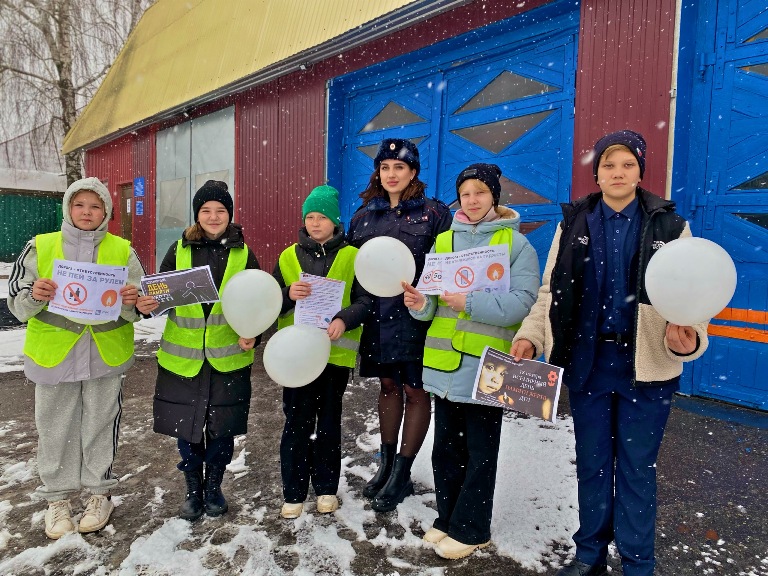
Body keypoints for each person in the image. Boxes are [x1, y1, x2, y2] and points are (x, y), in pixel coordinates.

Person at [510, 130, 709, 576]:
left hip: (647, 367)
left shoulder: (669, 225)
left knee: (637, 469)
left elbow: (693, 294)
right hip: (589, 365)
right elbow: (549, 293)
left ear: (640, 172)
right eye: (608, 165)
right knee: (593, 465)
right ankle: (589, 555)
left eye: (627, 165)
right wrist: (532, 337)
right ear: (597, 173)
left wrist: (691, 336)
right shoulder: (574, 222)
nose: (617, 173)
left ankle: (639, 563)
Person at [404, 163, 540, 559]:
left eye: (481, 192)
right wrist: (419, 303)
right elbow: (431, 303)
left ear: (494, 196)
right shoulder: (444, 242)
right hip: (445, 365)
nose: (473, 200)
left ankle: (473, 528)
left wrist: (471, 302)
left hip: (488, 367)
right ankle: (448, 518)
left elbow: (523, 305)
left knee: (480, 452)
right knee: (445, 449)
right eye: (466, 193)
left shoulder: (516, 246)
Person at [7, 177, 144, 539]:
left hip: (105, 356)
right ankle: (58, 499)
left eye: (95, 206)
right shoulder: (40, 246)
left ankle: (100, 494)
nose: (87, 212)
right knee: (54, 428)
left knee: (100, 424)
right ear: (68, 208)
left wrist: (133, 302)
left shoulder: (123, 250)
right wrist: (35, 295)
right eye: (80, 205)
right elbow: (18, 306)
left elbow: (142, 304)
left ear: (107, 212)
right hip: (55, 356)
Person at [136, 180, 260, 522]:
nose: (213, 216)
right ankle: (192, 488)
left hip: (228, 357)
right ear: (197, 214)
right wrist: (147, 305)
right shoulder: (180, 249)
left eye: (220, 210)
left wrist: (255, 333)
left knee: (221, 427)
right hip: (183, 358)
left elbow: (260, 302)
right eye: (206, 210)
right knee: (187, 427)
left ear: (230, 215)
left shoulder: (244, 253)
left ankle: (213, 487)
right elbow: (159, 296)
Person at [346, 138, 451, 512]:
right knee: (387, 386)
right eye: (385, 167)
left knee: (415, 391)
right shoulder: (362, 217)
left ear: (413, 173)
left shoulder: (434, 214)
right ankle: (387, 464)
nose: (391, 175)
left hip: (415, 318)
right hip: (375, 317)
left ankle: (403, 473)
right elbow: (350, 269)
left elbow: (447, 265)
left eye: (399, 168)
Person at [272, 185, 372, 519]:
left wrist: (345, 318)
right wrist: (288, 294)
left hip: (334, 356)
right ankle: (294, 491)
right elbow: (270, 303)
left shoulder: (353, 256)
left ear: (335, 221)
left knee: (328, 422)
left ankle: (327, 489)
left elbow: (366, 301)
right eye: (310, 217)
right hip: (297, 358)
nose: (316, 223)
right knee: (297, 422)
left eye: (323, 217)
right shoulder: (288, 256)